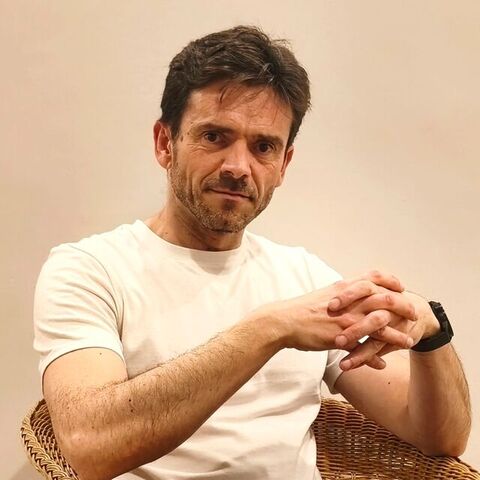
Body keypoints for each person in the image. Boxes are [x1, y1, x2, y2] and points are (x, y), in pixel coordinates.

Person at [33, 25, 471, 480]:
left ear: (283, 165)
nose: (238, 167)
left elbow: (440, 439)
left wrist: (430, 331)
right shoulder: (90, 270)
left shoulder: (305, 277)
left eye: (263, 147)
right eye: (214, 137)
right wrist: (270, 329)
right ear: (165, 144)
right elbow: (90, 445)